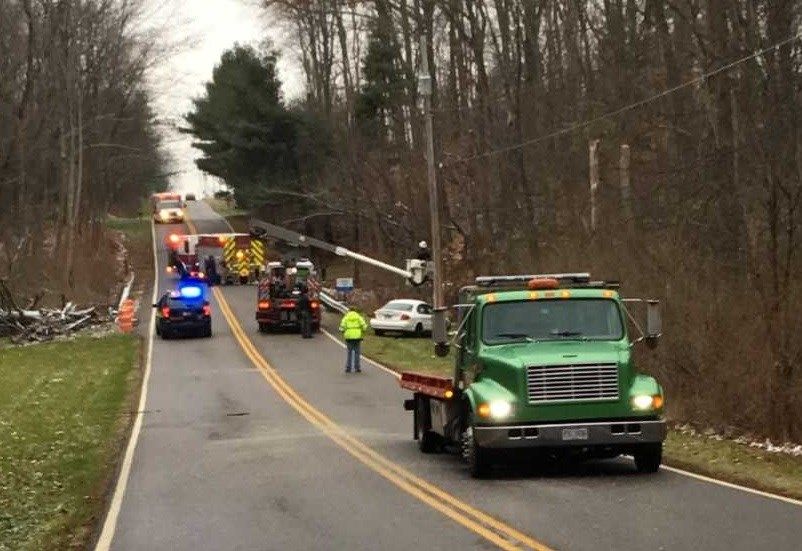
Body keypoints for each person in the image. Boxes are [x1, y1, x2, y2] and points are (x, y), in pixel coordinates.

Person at [339, 307, 368, 373]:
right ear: (355, 311)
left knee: (349, 353)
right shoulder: (358, 317)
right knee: (357, 353)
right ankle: (357, 367)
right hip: (357, 337)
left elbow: (341, 327)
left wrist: (343, 331)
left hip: (349, 337)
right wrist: (362, 331)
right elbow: (364, 326)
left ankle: (348, 368)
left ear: (349, 311)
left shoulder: (346, 318)